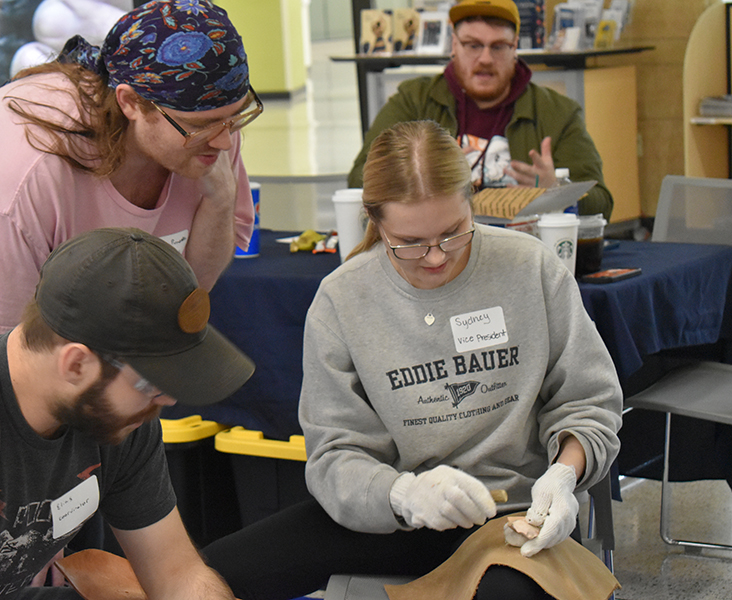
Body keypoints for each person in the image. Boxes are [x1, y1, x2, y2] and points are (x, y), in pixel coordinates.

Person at [203, 120, 622, 600]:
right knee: (212, 575)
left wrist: (565, 474)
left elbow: (589, 400)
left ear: (473, 201)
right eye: (408, 243)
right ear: (375, 222)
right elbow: (334, 457)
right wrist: (402, 495)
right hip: (397, 516)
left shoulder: (530, 266)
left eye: (453, 233)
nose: (437, 258)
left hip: (518, 517)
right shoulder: (342, 298)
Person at [0, 227, 255, 600]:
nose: (167, 401)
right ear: (75, 364)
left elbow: (178, 575)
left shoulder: (118, 417)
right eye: (153, 383)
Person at [0, 0, 262, 374]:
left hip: (81, 338)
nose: (225, 141)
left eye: (236, 116)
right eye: (201, 127)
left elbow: (185, 296)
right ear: (130, 103)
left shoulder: (207, 127)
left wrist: (220, 197)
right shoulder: (30, 166)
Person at [347, 0, 613, 220]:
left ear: (515, 48)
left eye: (498, 46)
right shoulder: (413, 101)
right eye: (473, 45)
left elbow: (601, 202)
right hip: (434, 250)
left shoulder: (559, 113)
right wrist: (421, 172)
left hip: (524, 254)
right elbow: (360, 178)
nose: (485, 58)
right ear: (454, 46)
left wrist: (554, 192)